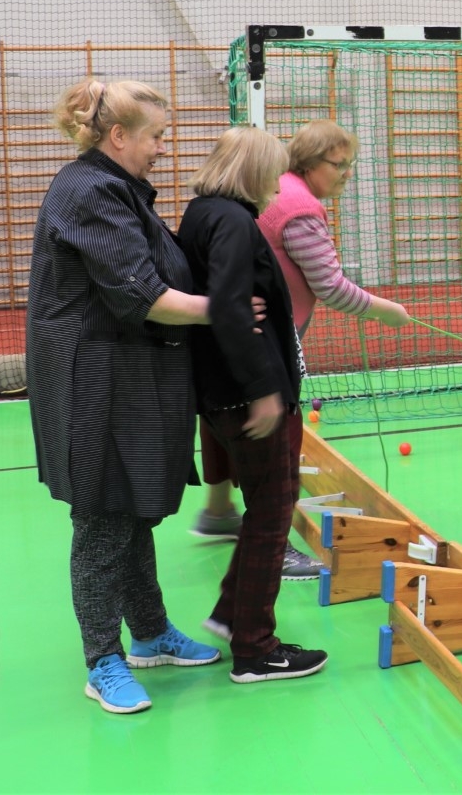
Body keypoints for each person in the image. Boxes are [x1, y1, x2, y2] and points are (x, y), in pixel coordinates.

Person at [28, 77, 222, 715]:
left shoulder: (115, 188)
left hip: (129, 377)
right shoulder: (91, 193)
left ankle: (151, 632)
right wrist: (230, 311)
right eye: (155, 136)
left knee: (132, 510)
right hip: (92, 383)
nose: (162, 148)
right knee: (103, 522)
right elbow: (146, 297)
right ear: (118, 136)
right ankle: (101, 660)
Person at [192, 120, 408, 583]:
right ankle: (274, 546)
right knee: (278, 444)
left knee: (225, 425)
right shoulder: (299, 207)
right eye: (339, 164)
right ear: (308, 165)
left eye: (350, 164)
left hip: (228, 343)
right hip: (265, 344)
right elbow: (329, 286)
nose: (346, 173)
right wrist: (385, 310)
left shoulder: (243, 202)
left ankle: (218, 509)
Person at [179, 126, 329, 683]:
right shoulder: (234, 222)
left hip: (224, 391)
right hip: (244, 393)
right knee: (271, 511)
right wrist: (264, 391)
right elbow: (231, 306)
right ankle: (256, 648)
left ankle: (230, 615)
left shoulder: (204, 212)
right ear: (254, 172)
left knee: (267, 506)